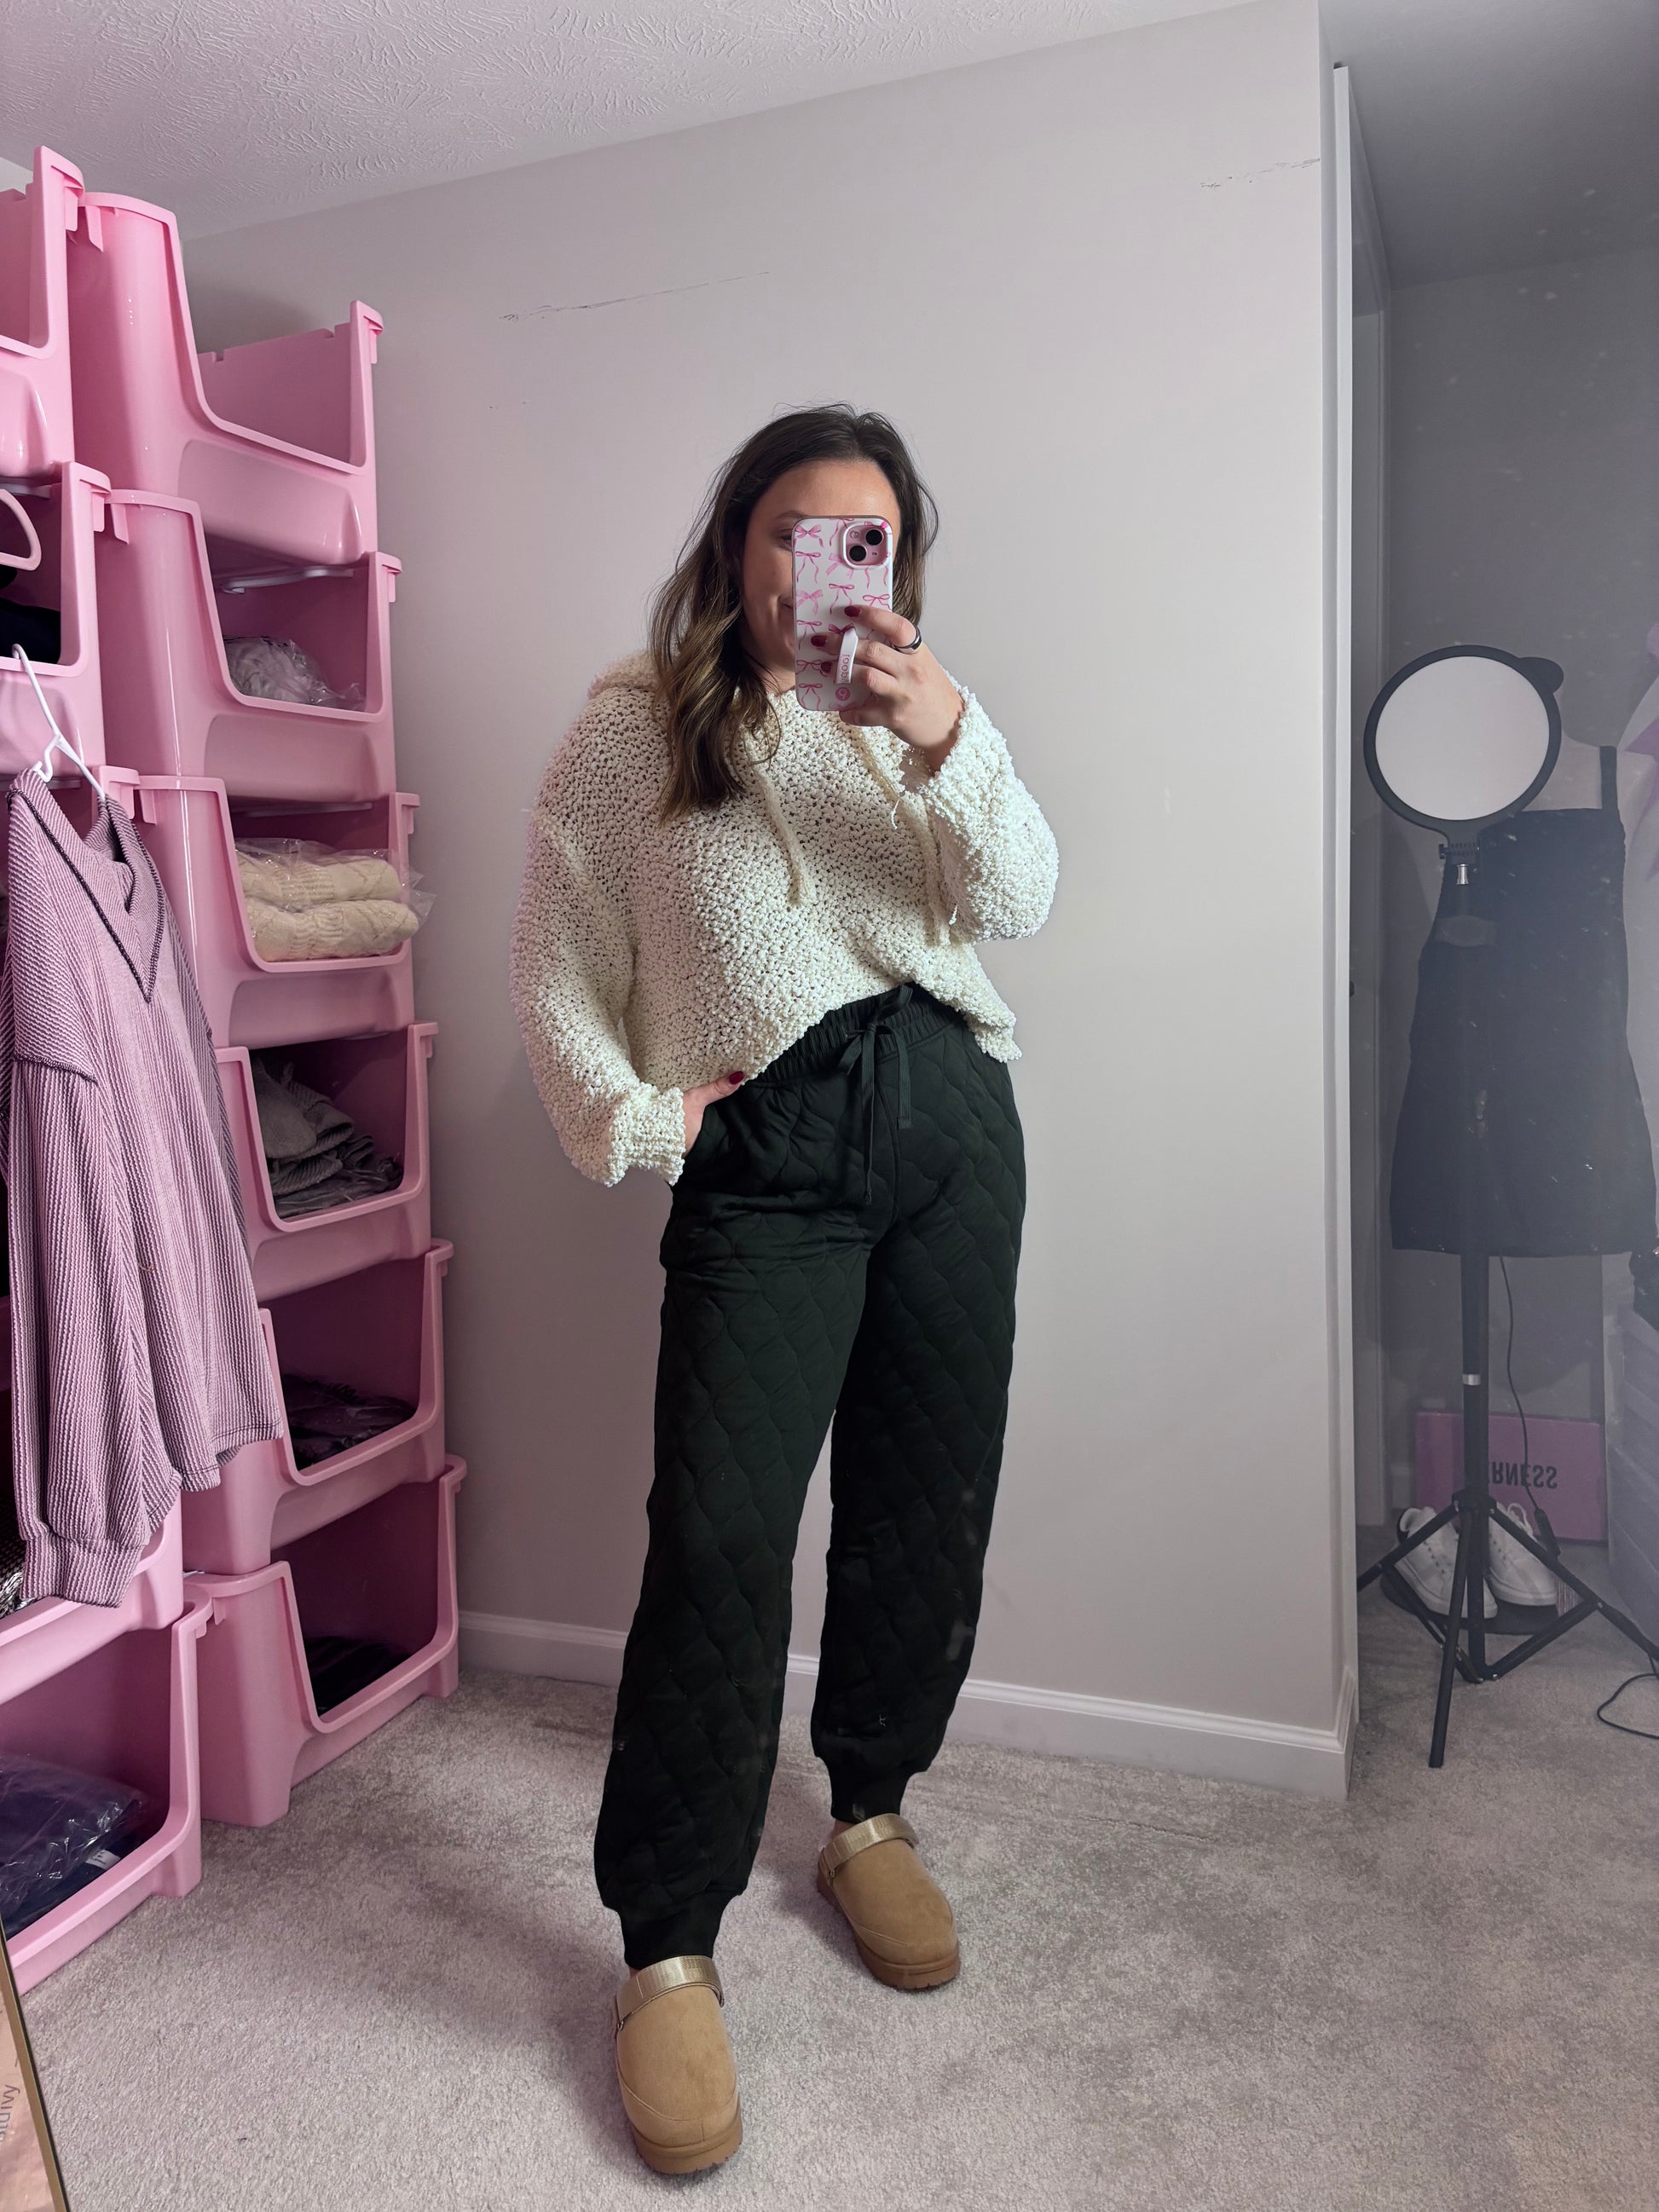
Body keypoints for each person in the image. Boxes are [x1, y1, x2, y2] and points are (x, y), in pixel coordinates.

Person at [510, 404, 1058, 2174]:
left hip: (950, 1127)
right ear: (737, 544)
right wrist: (637, 1117)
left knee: (925, 1497)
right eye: (794, 532)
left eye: (865, 540)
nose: (824, 569)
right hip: (766, 1157)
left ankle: (869, 1809)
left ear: (897, 566)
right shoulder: (635, 728)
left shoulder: (919, 720)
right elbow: (556, 958)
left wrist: (944, 733)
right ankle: (666, 1942)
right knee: (722, 1539)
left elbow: (1025, 896)